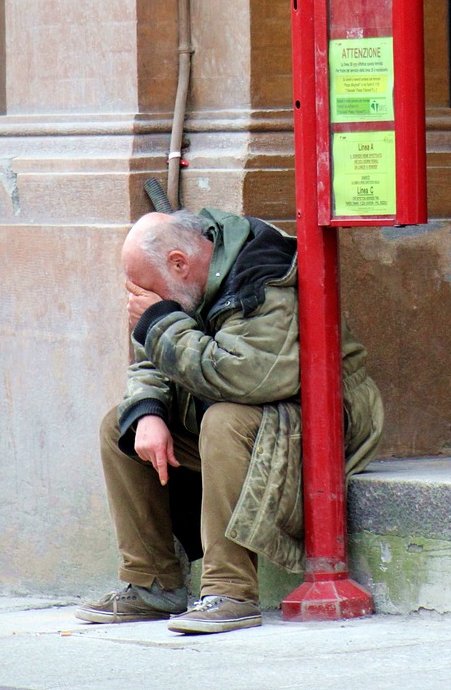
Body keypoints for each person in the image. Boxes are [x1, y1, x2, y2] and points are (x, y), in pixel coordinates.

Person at [76, 206, 383, 634]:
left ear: (179, 264)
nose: (142, 304)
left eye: (147, 291)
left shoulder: (267, 273)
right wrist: (148, 410)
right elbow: (150, 358)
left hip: (322, 424)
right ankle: (152, 583)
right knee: (120, 427)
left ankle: (231, 592)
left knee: (224, 421)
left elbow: (250, 377)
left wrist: (160, 323)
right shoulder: (186, 282)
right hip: (248, 420)